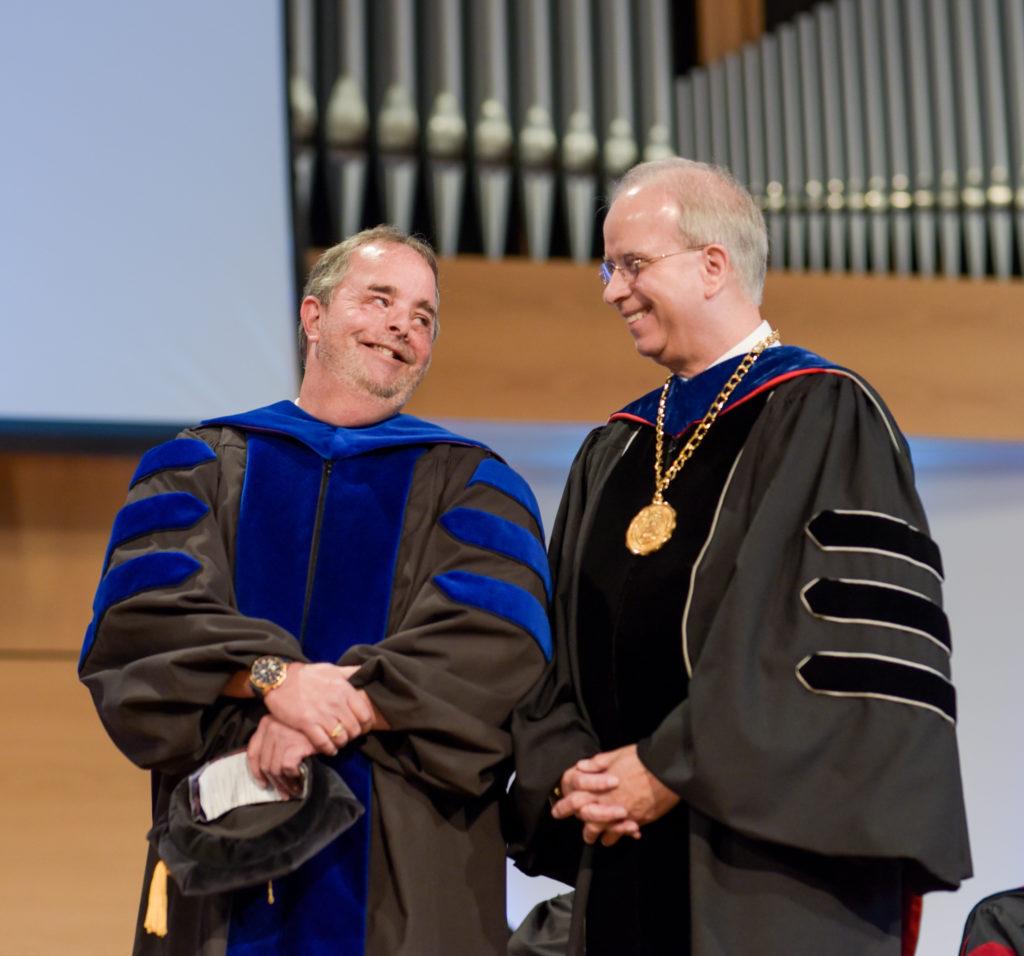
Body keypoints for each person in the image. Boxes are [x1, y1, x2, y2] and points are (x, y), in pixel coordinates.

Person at [507, 159, 972, 955]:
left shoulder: (825, 412)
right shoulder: (612, 451)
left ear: (713, 264)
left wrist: (668, 768)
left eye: (632, 265)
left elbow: (823, 645)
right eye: (607, 268)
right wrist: (572, 775)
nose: (612, 290)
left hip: (769, 873)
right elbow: (555, 654)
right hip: (619, 857)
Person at [79, 225, 551, 955]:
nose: (403, 325)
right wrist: (276, 679)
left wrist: (323, 710)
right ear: (313, 316)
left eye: (423, 316)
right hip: (230, 865)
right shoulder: (197, 466)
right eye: (380, 299)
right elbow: (144, 622)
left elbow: (495, 642)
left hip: (407, 876)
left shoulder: (478, 486)